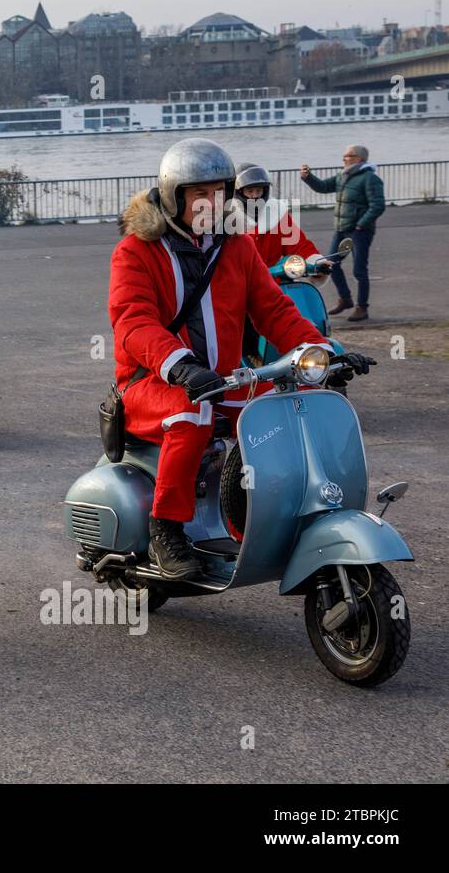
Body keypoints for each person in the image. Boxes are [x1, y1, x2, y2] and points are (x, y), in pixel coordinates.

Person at [111, 138, 369, 580]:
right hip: (152, 384)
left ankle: (268, 517)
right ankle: (166, 529)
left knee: (290, 402)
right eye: (198, 194)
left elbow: (275, 311)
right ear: (175, 196)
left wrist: (328, 352)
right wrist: (180, 364)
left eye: (218, 192)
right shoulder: (136, 252)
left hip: (223, 381)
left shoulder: (236, 246)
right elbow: (132, 322)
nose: (211, 203)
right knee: (193, 412)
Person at [301, 145, 385, 322]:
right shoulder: (343, 176)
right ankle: (345, 299)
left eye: (348, 156)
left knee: (359, 270)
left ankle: (362, 308)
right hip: (341, 229)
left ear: (359, 159)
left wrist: (361, 225)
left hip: (359, 232)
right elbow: (323, 187)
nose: (344, 158)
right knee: (331, 264)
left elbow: (378, 205)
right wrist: (308, 177)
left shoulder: (370, 179)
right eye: (345, 156)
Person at [232, 163, 329, 279]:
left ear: (266, 190)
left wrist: (316, 262)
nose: (255, 196)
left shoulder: (277, 214)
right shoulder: (228, 219)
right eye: (250, 191)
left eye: (259, 190)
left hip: (273, 284)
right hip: (241, 285)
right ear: (239, 192)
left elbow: (298, 244)